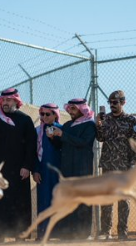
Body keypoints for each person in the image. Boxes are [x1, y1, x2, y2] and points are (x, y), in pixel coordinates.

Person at [0, 88, 37, 242]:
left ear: (16, 101)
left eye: (8, 100)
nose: (5, 103)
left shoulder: (25, 120)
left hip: (20, 170)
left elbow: (31, 145)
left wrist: (27, 166)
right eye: (3, 100)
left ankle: (20, 235)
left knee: (20, 203)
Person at [96, 91, 136, 240]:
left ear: (123, 102)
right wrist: (98, 124)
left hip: (124, 165)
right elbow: (100, 138)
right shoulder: (105, 119)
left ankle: (122, 232)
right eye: (110, 102)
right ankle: (105, 231)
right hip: (108, 164)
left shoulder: (131, 120)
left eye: (115, 102)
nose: (112, 105)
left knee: (123, 200)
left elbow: (135, 144)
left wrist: (132, 164)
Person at [51, 98, 96, 240]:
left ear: (82, 109)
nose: (70, 111)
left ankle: (84, 233)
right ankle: (68, 232)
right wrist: (53, 137)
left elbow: (84, 142)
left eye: (73, 109)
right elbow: (60, 145)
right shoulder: (67, 125)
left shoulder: (89, 125)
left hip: (82, 169)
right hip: (67, 169)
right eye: (69, 109)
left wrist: (62, 135)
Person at [33, 103, 63, 240]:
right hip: (42, 171)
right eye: (42, 114)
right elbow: (33, 154)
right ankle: (43, 233)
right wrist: (35, 170)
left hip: (58, 171)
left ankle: (58, 233)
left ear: (55, 115)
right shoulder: (37, 131)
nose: (44, 117)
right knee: (44, 201)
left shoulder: (62, 130)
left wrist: (56, 137)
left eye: (47, 114)